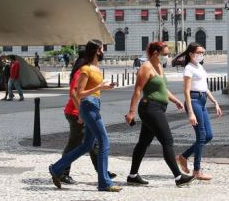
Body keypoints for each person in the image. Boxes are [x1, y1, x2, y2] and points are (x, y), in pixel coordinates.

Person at [50, 40, 120, 192]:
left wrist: (104, 88)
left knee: (87, 145)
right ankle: (104, 182)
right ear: (97, 51)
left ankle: (56, 169)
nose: (104, 52)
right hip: (88, 106)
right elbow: (78, 93)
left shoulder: (96, 68)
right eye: (102, 49)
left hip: (94, 104)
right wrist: (99, 87)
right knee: (103, 142)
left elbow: (94, 90)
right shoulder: (85, 69)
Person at [125, 42, 194, 187]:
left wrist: (175, 100)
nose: (167, 57)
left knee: (143, 143)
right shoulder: (146, 67)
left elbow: (163, 88)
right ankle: (178, 177)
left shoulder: (160, 67)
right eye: (165, 54)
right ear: (156, 53)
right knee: (167, 141)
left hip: (158, 108)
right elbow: (137, 90)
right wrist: (131, 112)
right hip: (150, 108)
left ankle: (132, 175)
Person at [174, 42, 222, 181]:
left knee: (209, 136)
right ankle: (197, 171)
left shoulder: (199, 66)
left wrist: (215, 102)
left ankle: (183, 157)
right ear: (191, 53)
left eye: (203, 52)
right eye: (199, 52)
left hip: (202, 100)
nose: (201, 55)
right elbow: (186, 91)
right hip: (193, 101)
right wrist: (190, 112)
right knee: (201, 136)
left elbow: (204, 87)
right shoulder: (188, 68)